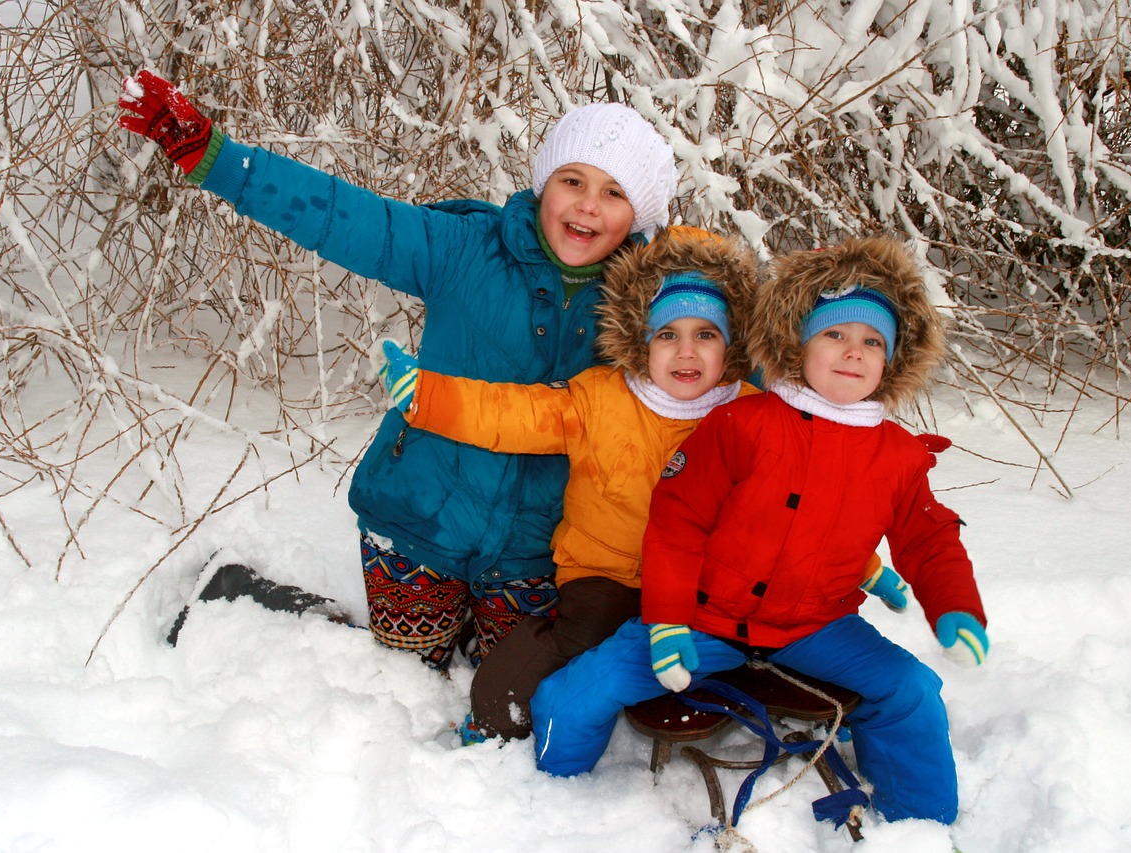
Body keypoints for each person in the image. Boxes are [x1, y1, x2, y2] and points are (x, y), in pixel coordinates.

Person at [118, 71, 679, 665]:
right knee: (404, 668)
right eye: (573, 181)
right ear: (544, 185)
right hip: (421, 520)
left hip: (538, 548)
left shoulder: (652, 305)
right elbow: (346, 218)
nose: (588, 205)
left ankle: (473, 623)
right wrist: (220, 161)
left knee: (516, 681)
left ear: (639, 217)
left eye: (614, 193)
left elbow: (719, 365)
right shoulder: (465, 247)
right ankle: (245, 591)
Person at [376, 227, 908, 742]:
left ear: (732, 345)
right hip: (611, 574)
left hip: (707, 584)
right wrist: (428, 396)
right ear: (641, 339)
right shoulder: (599, 398)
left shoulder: (755, 413)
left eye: (707, 335)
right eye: (668, 335)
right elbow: (510, 414)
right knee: (582, 639)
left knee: (746, 642)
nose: (686, 353)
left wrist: (866, 568)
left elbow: (802, 512)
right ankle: (497, 713)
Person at [528, 235, 989, 826]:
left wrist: (957, 607)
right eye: (835, 334)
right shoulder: (742, 423)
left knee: (913, 690)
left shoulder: (897, 456)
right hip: (705, 618)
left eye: (872, 341)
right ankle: (551, 804)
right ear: (800, 343)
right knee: (576, 694)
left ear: (891, 360)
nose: (854, 352)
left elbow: (929, 538)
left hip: (816, 626)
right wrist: (667, 618)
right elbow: (678, 519)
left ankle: (921, 825)